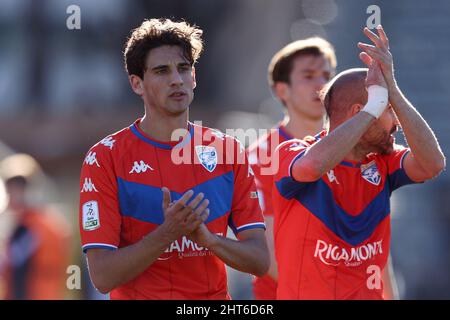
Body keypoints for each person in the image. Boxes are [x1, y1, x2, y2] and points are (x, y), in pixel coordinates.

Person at [79, 18, 269, 300]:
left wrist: (209, 240)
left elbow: (260, 261)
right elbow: (103, 277)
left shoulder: (228, 150)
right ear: (137, 84)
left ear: (194, 77)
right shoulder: (105, 157)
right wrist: (168, 233)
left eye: (183, 69)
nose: (176, 80)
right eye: (161, 71)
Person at [272, 25, 445, 299]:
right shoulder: (292, 151)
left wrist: (394, 92)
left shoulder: (383, 162)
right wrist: (372, 108)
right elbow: (311, 168)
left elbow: (433, 163)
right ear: (361, 112)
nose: (396, 121)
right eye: (387, 109)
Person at [247, 37, 336, 300]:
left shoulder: (351, 146)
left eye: (327, 75)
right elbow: (267, 252)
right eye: (308, 76)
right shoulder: (261, 157)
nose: (321, 84)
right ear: (281, 90)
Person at [0, 153, 70, 300]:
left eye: (18, 187)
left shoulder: (46, 227)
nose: (13, 193)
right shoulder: (20, 227)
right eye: (10, 187)